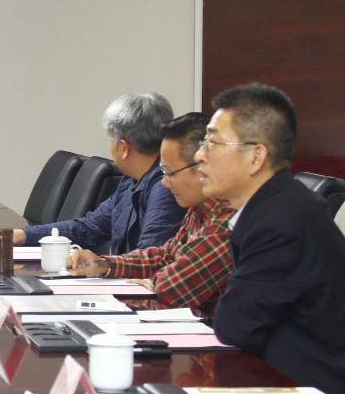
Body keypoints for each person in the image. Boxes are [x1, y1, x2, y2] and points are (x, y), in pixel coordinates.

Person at [198, 82, 345, 394]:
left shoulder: (280, 220)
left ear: (256, 156)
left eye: (212, 143)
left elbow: (234, 326)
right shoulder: (276, 205)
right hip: (292, 386)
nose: (200, 156)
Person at [70, 112, 234, 319]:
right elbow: (165, 256)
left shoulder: (227, 219)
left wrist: (151, 285)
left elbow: (169, 293)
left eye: (169, 172)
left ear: (203, 166)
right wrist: (104, 265)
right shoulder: (199, 208)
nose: (164, 182)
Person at [0, 92, 184, 257]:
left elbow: (148, 259)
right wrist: (21, 235)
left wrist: (102, 265)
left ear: (123, 147)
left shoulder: (164, 188)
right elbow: (89, 228)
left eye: (109, 139)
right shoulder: (131, 181)